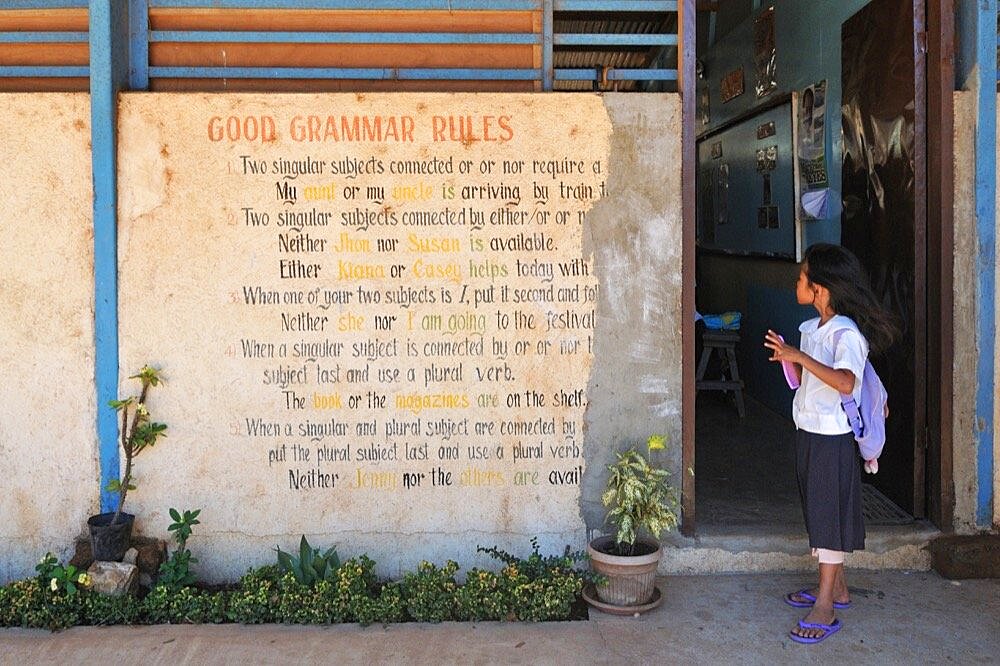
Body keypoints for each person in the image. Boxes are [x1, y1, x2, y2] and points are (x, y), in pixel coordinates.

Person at [763, 243, 897, 645]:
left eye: (802, 278)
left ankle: (825, 603)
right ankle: (838, 588)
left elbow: (845, 382)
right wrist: (789, 358)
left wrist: (799, 358)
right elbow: (808, 384)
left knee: (828, 519)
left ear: (819, 288)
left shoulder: (847, 335)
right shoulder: (812, 329)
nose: (797, 283)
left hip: (833, 437)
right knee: (818, 509)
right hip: (809, 429)